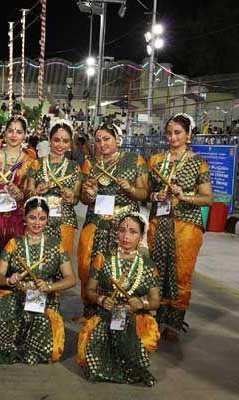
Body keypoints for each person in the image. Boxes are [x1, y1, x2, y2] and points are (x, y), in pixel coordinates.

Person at [0, 197, 76, 364]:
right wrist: (9, 280)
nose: (37, 223)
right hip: (18, 296)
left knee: (48, 344)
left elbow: (71, 279)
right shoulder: (14, 244)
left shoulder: (56, 245)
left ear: (47, 220)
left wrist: (50, 286)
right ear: (25, 218)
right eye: (33, 217)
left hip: (45, 300)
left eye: (42, 218)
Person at [147, 113, 213, 342]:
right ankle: (157, 318)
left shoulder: (198, 162)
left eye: (178, 132)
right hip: (160, 224)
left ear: (188, 134)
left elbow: (208, 199)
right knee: (158, 271)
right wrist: (157, 194)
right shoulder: (156, 161)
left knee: (181, 274)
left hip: (187, 226)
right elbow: (146, 193)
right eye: (169, 133)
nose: (172, 137)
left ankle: (173, 324)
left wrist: (185, 196)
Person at [76, 124, 148, 323]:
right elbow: (83, 197)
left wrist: (131, 189)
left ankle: (119, 312)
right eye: (98, 140)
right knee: (89, 264)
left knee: (118, 267)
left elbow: (145, 193)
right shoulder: (90, 163)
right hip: (96, 220)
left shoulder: (134, 160)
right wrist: (89, 195)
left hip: (123, 223)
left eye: (107, 138)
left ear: (117, 139)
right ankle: (91, 311)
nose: (102, 143)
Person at [77, 214, 161, 386]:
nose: (126, 236)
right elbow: (90, 290)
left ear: (141, 237)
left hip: (137, 318)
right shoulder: (103, 258)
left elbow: (155, 301)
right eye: (122, 230)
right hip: (108, 314)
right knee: (90, 348)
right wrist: (101, 299)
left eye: (133, 232)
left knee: (143, 342)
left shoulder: (148, 264)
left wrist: (142, 303)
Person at [0, 116, 38, 256]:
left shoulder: (30, 161)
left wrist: (20, 194)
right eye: (10, 131)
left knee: (13, 260)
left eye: (19, 132)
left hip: (16, 217)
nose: (14, 135)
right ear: (4, 133)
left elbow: (30, 193)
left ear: (24, 135)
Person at [27, 120, 82, 259]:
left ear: (70, 144)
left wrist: (71, 197)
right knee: (37, 260)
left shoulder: (74, 167)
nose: (60, 145)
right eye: (56, 140)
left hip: (65, 221)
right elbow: (28, 193)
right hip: (38, 220)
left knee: (63, 261)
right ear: (50, 141)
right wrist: (37, 191)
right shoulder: (36, 164)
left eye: (65, 141)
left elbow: (76, 199)